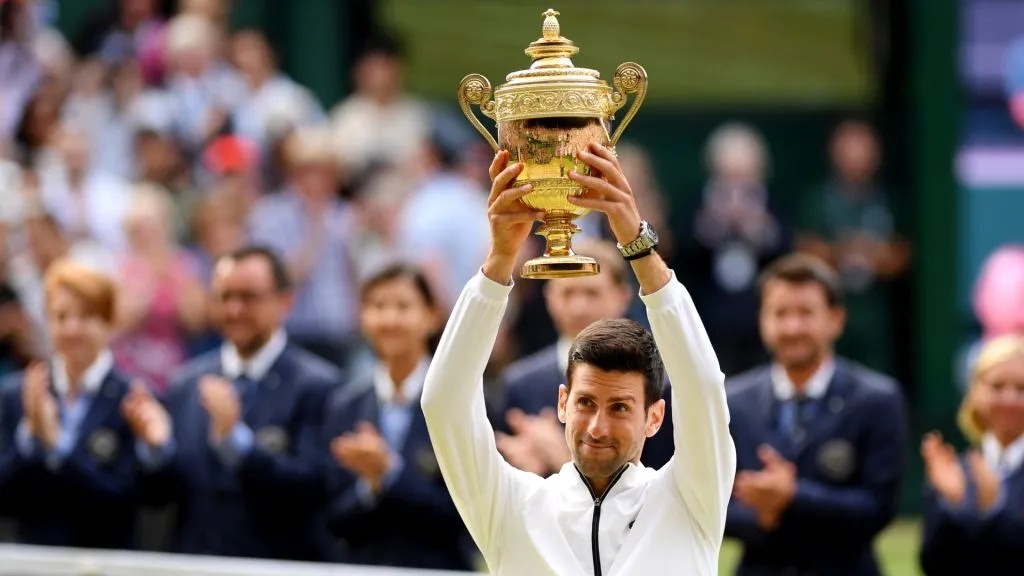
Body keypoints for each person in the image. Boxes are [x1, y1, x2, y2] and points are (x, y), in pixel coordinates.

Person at [420, 144, 736, 574]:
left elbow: (702, 386)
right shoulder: (511, 506)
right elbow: (443, 403)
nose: (598, 427)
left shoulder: (692, 497)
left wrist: (639, 248)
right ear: (563, 402)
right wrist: (498, 262)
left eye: (620, 407)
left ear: (655, 418)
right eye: (586, 403)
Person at [123, 245, 339, 560]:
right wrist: (155, 451)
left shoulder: (318, 386)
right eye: (224, 297)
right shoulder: (186, 383)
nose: (234, 310)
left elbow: (312, 492)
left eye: (249, 297)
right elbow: (160, 499)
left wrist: (239, 445)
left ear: (285, 301)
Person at [724, 254, 907, 575]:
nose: (793, 327)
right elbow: (713, 507)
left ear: (836, 320)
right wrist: (760, 517)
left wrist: (794, 496)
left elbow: (879, 509)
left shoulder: (878, 399)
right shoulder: (733, 402)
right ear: (762, 320)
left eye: (806, 313)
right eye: (780, 313)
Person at [325, 263, 472, 570]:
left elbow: (466, 515)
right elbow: (331, 514)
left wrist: (389, 473)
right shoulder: (345, 404)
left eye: (403, 306)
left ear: (431, 316)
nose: (390, 319)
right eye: (378, 306)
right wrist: (371, 486)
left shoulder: (461, 400)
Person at [498, 237, 674, 475]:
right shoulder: (520, 384)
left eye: (592, 293)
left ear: (623, 296)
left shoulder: (660, 383)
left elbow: (656, 486)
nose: (579, 307)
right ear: (549, 297)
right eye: (568, 293)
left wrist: (562, 460)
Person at [0, 259, 138, 548]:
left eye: (86, 316)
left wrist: (57, 446)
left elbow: (125, 498)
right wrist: (30, 438)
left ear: (109, 322)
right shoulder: (16, 395)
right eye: (61, 317)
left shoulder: (133, 399)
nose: (72, 329)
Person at [919, 335, 1024, 576]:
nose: (1010, 398)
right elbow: (932, 564)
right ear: (975, 392)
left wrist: (994, 510)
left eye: (1022, 388)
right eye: (997, 386)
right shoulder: (956, 471)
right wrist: (951, 506)